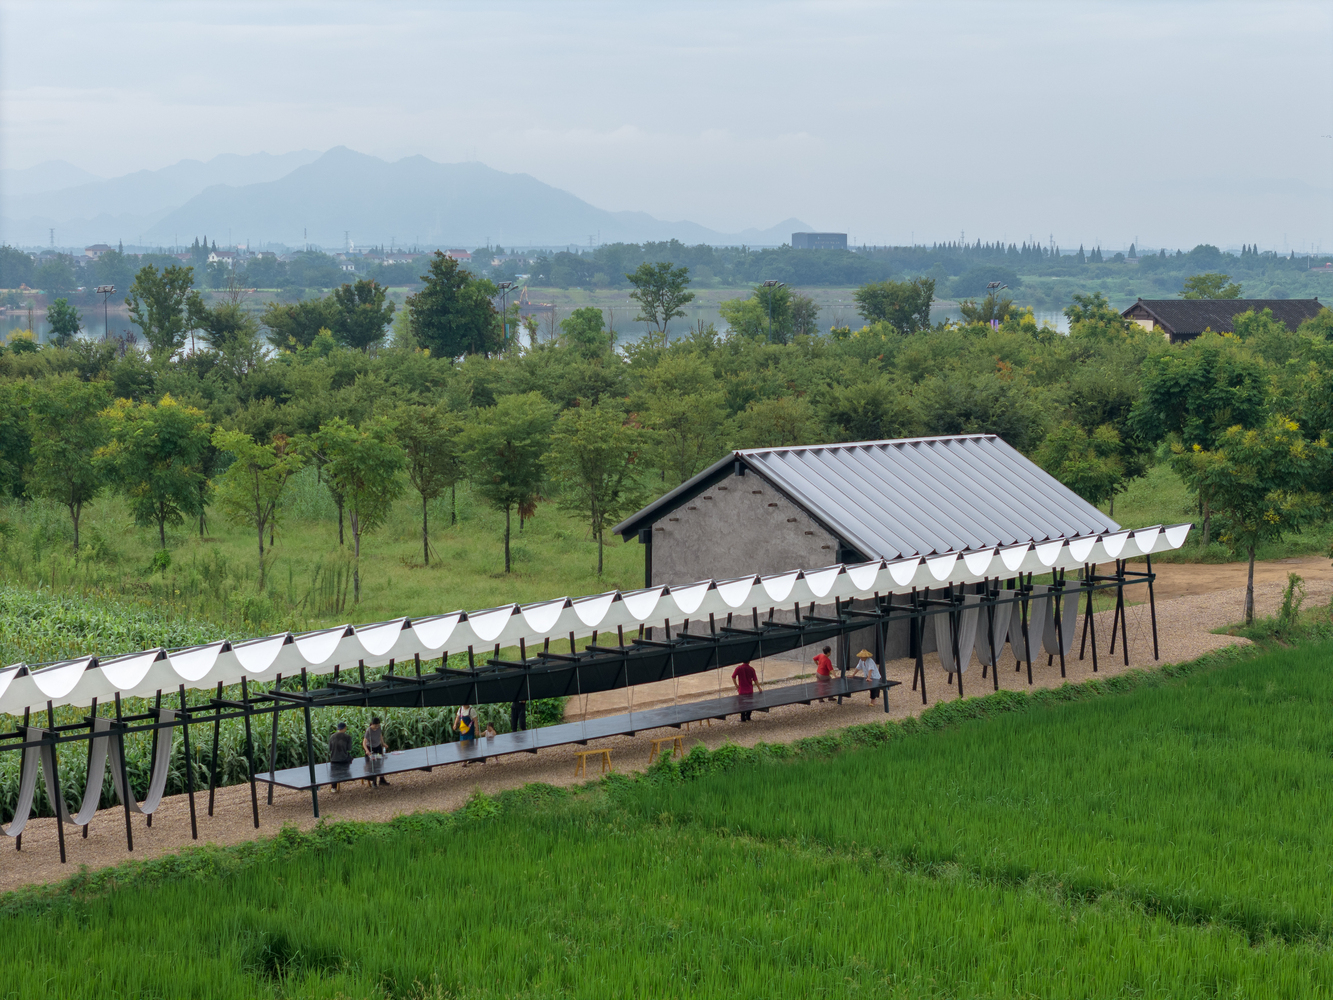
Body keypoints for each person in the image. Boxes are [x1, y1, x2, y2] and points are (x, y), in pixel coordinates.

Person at [363, 717, 389, 786]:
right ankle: (374, 781)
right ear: (372, 724)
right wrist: (367, 751)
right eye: (375, 726)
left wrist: (383, 743)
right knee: (373, 766)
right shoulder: (368, 731)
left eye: (378, 725)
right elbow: (364, 742)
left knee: (381, 763)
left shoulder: (379, 728)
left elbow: (380, 735)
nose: (377, 727)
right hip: (371, 748)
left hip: (378, 746)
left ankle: (382, 779)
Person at [328, 721, 352, 792]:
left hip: (334, 759)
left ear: (338, 728)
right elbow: (349, 748)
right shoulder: (347, 737)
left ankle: (333, 787)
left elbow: (330, 748)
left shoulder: (332, 736)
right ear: (345, 728)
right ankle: (346, 777)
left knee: (334, 773)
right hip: (343, 759)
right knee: (350, 759)